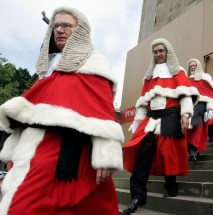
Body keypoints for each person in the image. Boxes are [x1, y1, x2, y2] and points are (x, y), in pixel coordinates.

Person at [0, 6, 124, 214]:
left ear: (80, 31)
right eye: (56, 26)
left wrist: (106, 155)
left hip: (65, 148)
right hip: (30, 145)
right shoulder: (47, 68)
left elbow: (102, 111)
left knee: (26, 205)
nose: (59, 29)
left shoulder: (94, 62)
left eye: (66, 25)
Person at [122, 38, 199, 214]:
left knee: (168, 153)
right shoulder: (148, 76)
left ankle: (171, 184)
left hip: (171, 116)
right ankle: (137, 196)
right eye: (155, 52)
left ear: (168, 52)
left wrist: (186, 115)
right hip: (151, 119)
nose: (158, 54)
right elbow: (143, 102)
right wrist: (137, 122)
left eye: (161, 51)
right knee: (143, 155)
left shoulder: (177, 71)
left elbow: (186, 95)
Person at [186, 59, 213, 161]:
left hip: (200, 108)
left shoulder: (204, 78)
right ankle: (191, 153)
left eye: (194, 65)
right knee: (187, 131)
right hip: (188, 108)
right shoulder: (186, 80)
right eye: (191, 66)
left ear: (198, 66)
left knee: (197, 131)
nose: (192, 67)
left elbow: (210, 95)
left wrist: (210, 109)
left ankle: (194, 153)